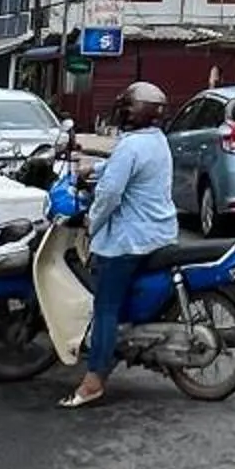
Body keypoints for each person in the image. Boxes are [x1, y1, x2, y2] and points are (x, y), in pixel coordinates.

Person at [62, 81, 177, 410]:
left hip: (130, 239)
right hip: (160, 233)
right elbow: (122, 171)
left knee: (105, 308)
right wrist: (94, 169)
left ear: (130, 113)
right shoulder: (156, 141)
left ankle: (94, 380)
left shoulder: (130, 147)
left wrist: (90, 224)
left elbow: (110, 195)